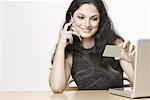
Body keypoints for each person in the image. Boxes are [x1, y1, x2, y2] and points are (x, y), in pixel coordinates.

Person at [49, 0, 136, 93]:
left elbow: (140, 85)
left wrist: (133, 59)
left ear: (100, 20)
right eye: (81, 17)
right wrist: (61, 45)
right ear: (71, 18)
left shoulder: (110, 48)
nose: (87, 24)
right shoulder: (72, 53)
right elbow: (57, 87)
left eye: (94, 19)